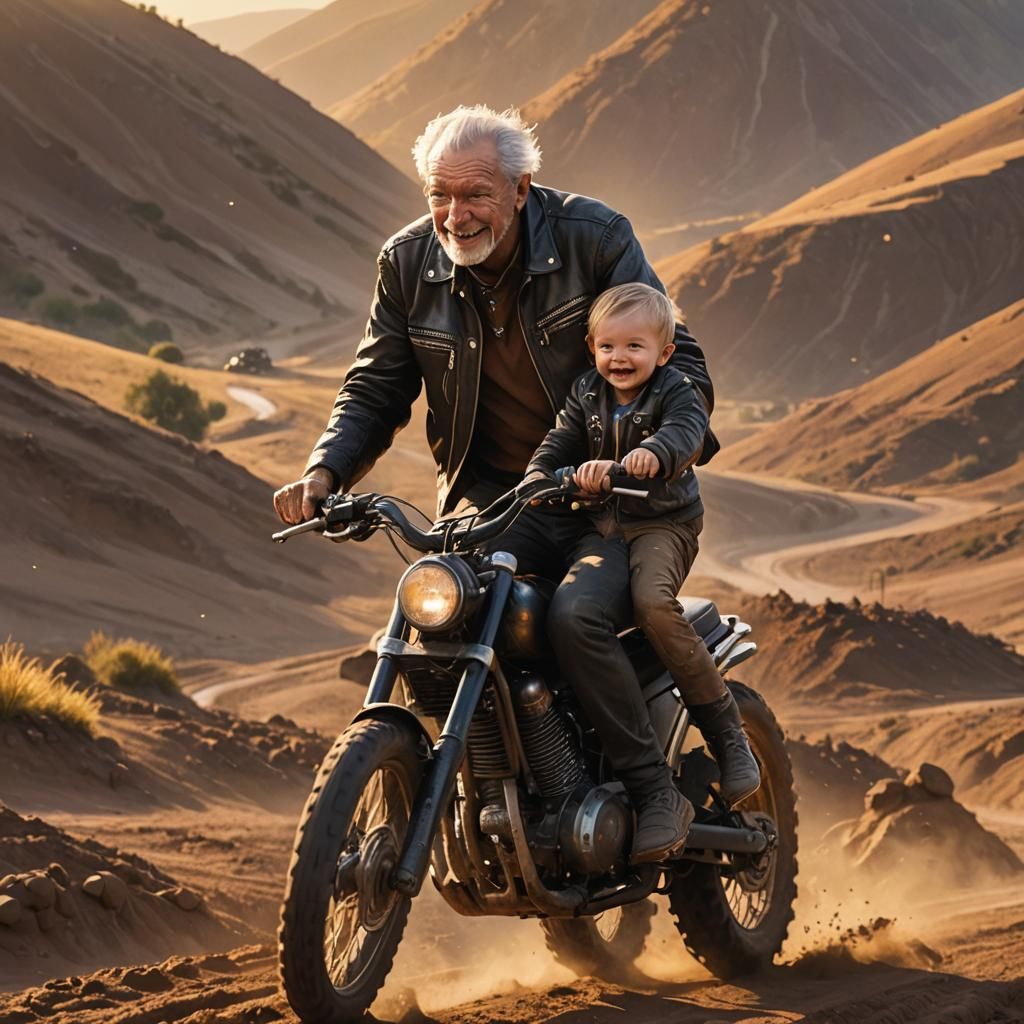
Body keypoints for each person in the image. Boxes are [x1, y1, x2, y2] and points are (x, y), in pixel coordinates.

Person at [273, 105, 719, 863]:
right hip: (490, 502)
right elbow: (376, 386)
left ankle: (651, 791)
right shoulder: (409, 262)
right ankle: (496, 789)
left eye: (475, 192)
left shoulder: (595, 239)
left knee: (574, 617)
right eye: (439, 194)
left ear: (521, 189)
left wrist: (650, 457)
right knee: (442, 621)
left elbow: (682, 366)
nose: (456, 213)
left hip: (609, 504)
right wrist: (326, 471)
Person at [525, 282, 761, 857]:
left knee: (654, 604)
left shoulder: (677, 390)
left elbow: (688, 433)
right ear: (591, 348)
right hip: (604, 531)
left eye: (634, 346)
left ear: (664, 351)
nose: (619, 358)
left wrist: (654, 454)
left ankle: (726, 734)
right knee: (570, 614)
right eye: (608, 346)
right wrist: (541, 478)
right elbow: (555, 445)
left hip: (664, 527)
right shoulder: (585, 393)